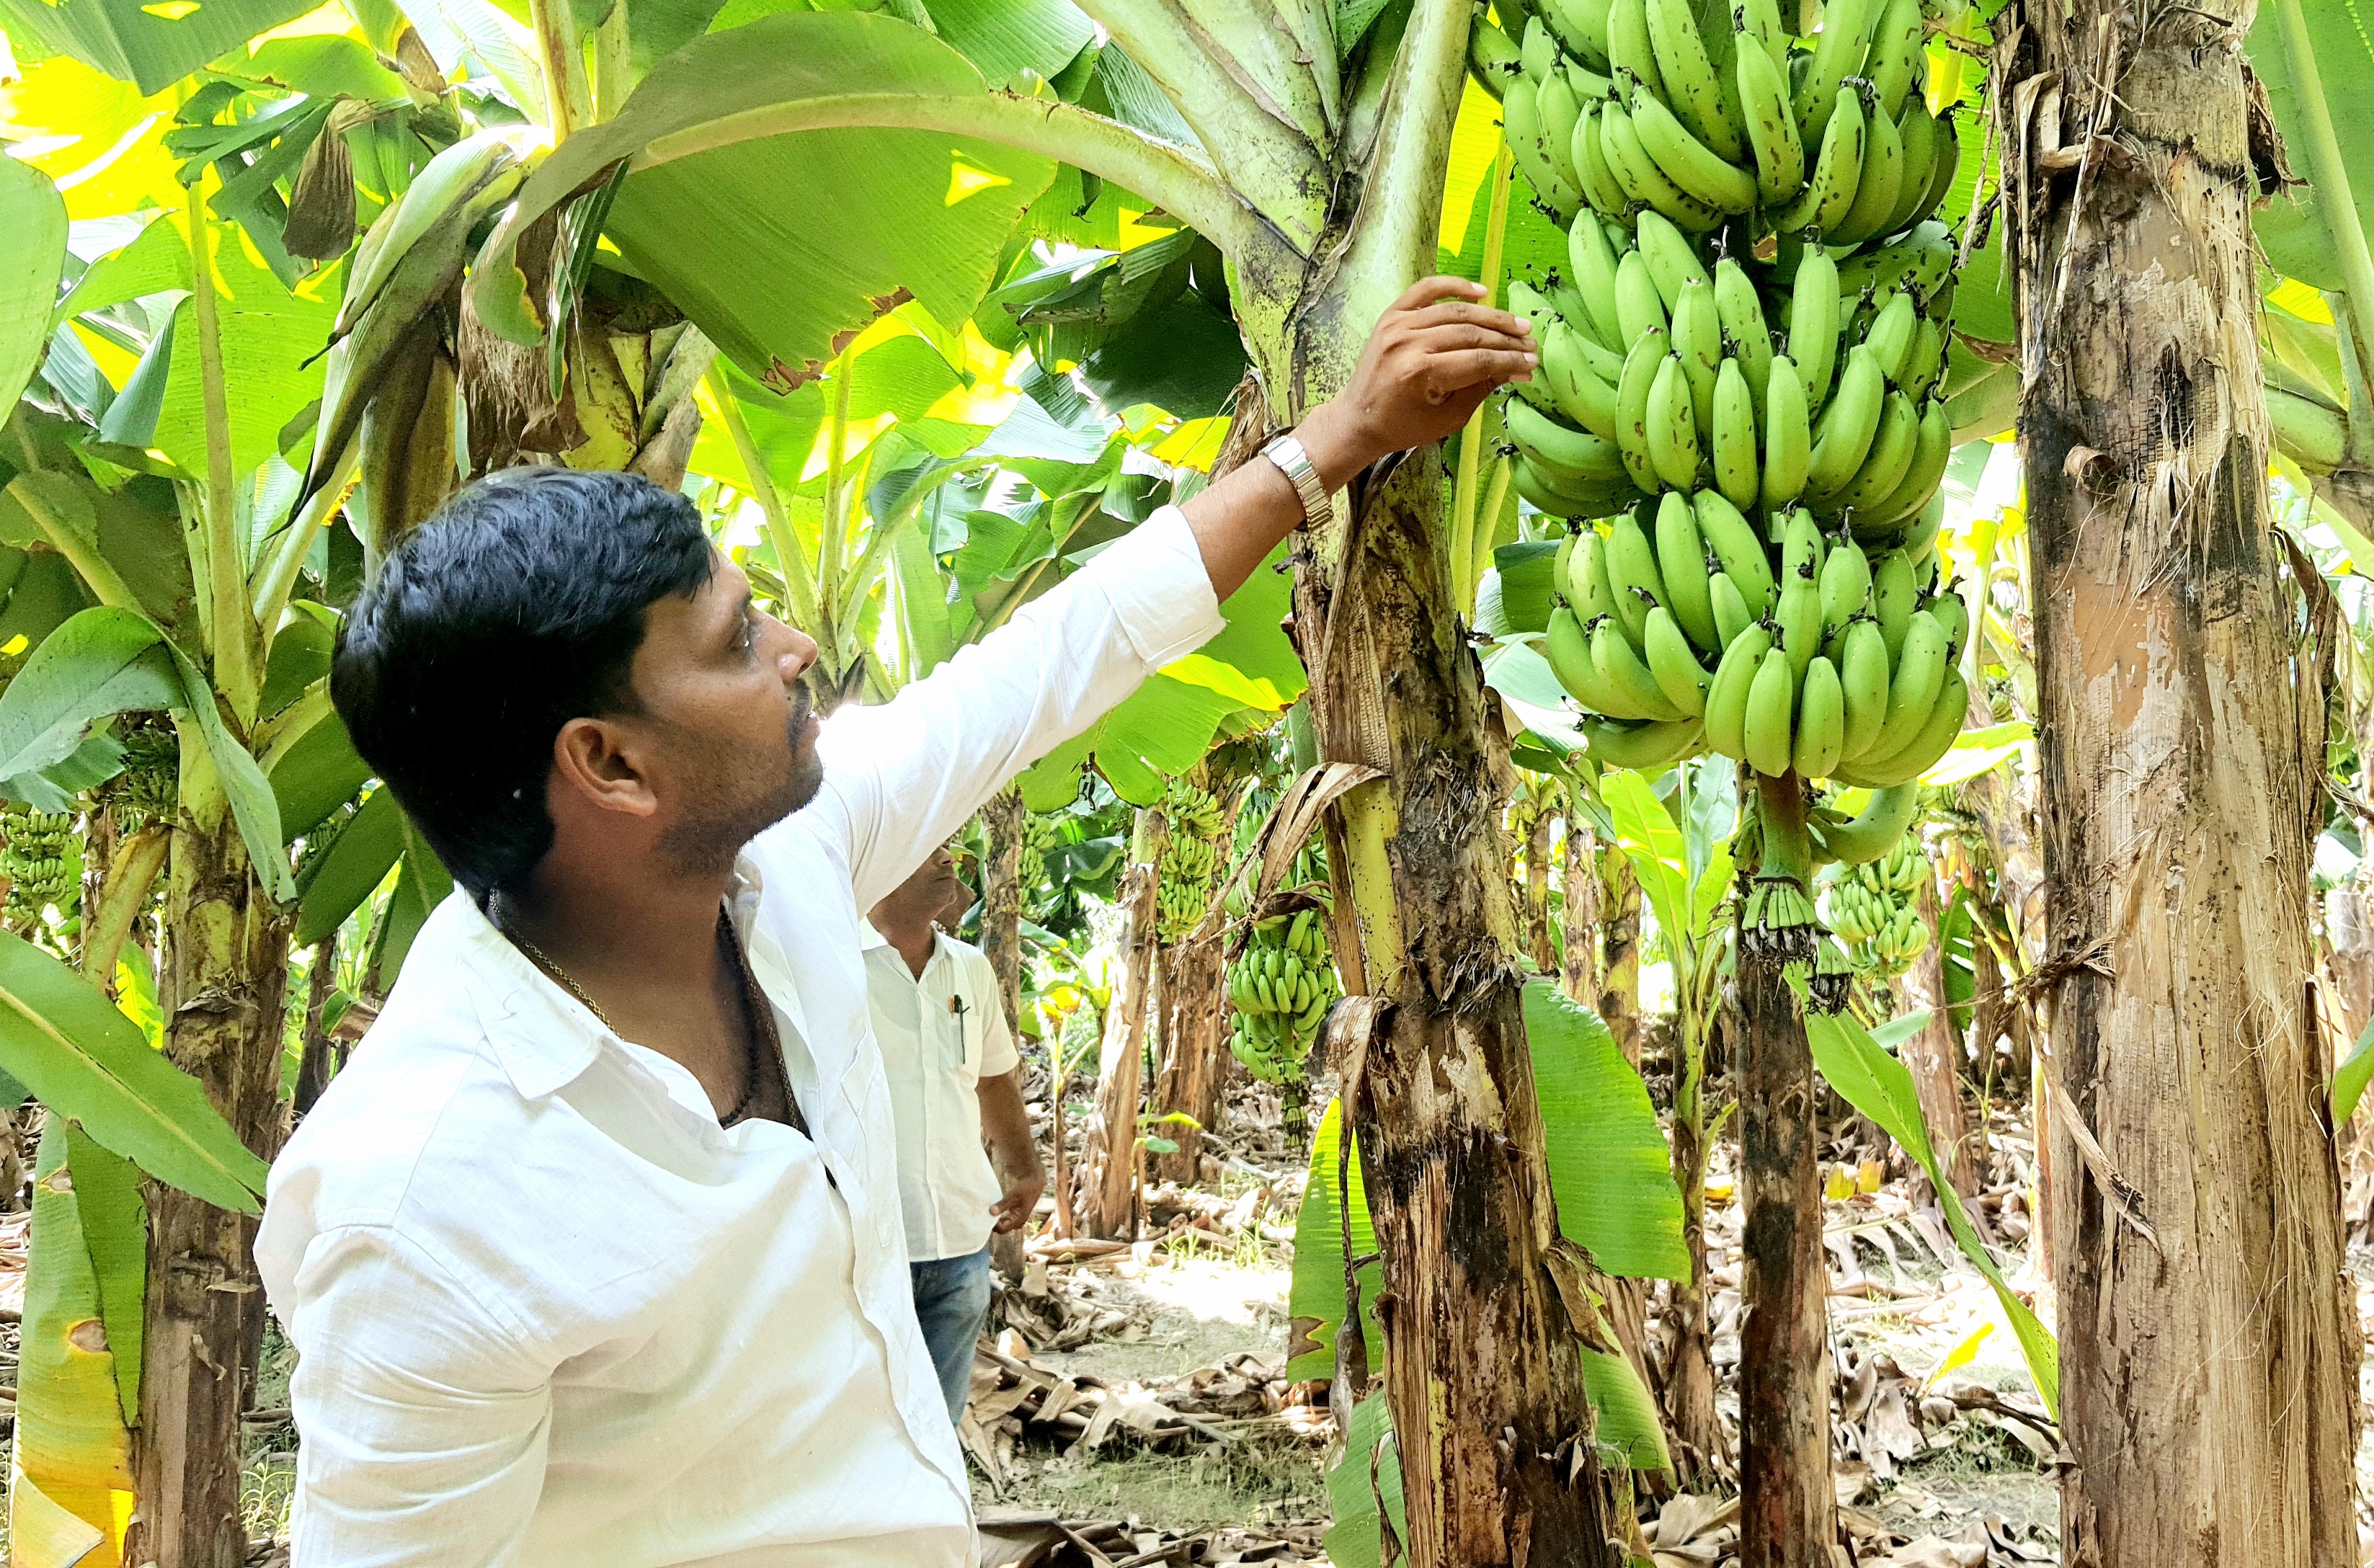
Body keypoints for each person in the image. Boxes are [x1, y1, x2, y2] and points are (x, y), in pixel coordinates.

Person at [257, 277, 1530, 1566]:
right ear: (614, 766)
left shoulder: (783, 862)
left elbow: (1044, 664)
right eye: (738, 637)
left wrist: (1337, 440)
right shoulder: (429, 1202)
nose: (798, 645)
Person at [859, 844, 1040, 1422]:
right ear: (879, 862)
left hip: (961, 1243)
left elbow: (992, 1079)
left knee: (939, 1431)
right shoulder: (836, 967)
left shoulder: (970, 968)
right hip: (867, 1248)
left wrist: (1025, 1167)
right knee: (868, 1435)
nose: (950, 858)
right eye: (928, 847)